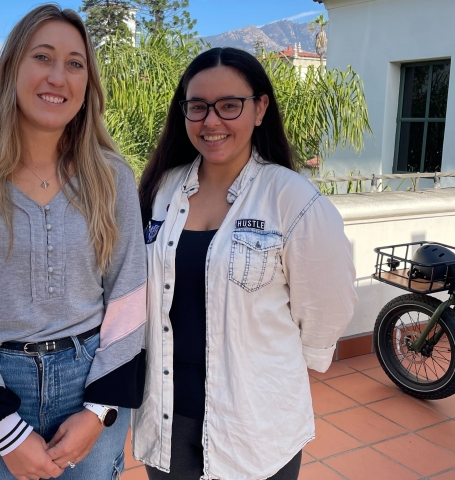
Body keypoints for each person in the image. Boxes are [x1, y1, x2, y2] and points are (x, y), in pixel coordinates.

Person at [0, 5, 147, 480]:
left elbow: (128, 301)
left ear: (88, 85)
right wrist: (2, 430)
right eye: (42, 57)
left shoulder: (112, 178)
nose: (58, 76)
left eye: (75, 63)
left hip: (90, 384)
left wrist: (100, 411)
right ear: (12, 70)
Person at [132, 47, 358, 480]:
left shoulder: (292, 200)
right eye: (197, 107)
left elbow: (328, 310)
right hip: (166, 415)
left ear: (260, 109)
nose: (211, 121)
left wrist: (275, 366)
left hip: (254, 424)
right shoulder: (161, 190)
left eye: (229, 105)